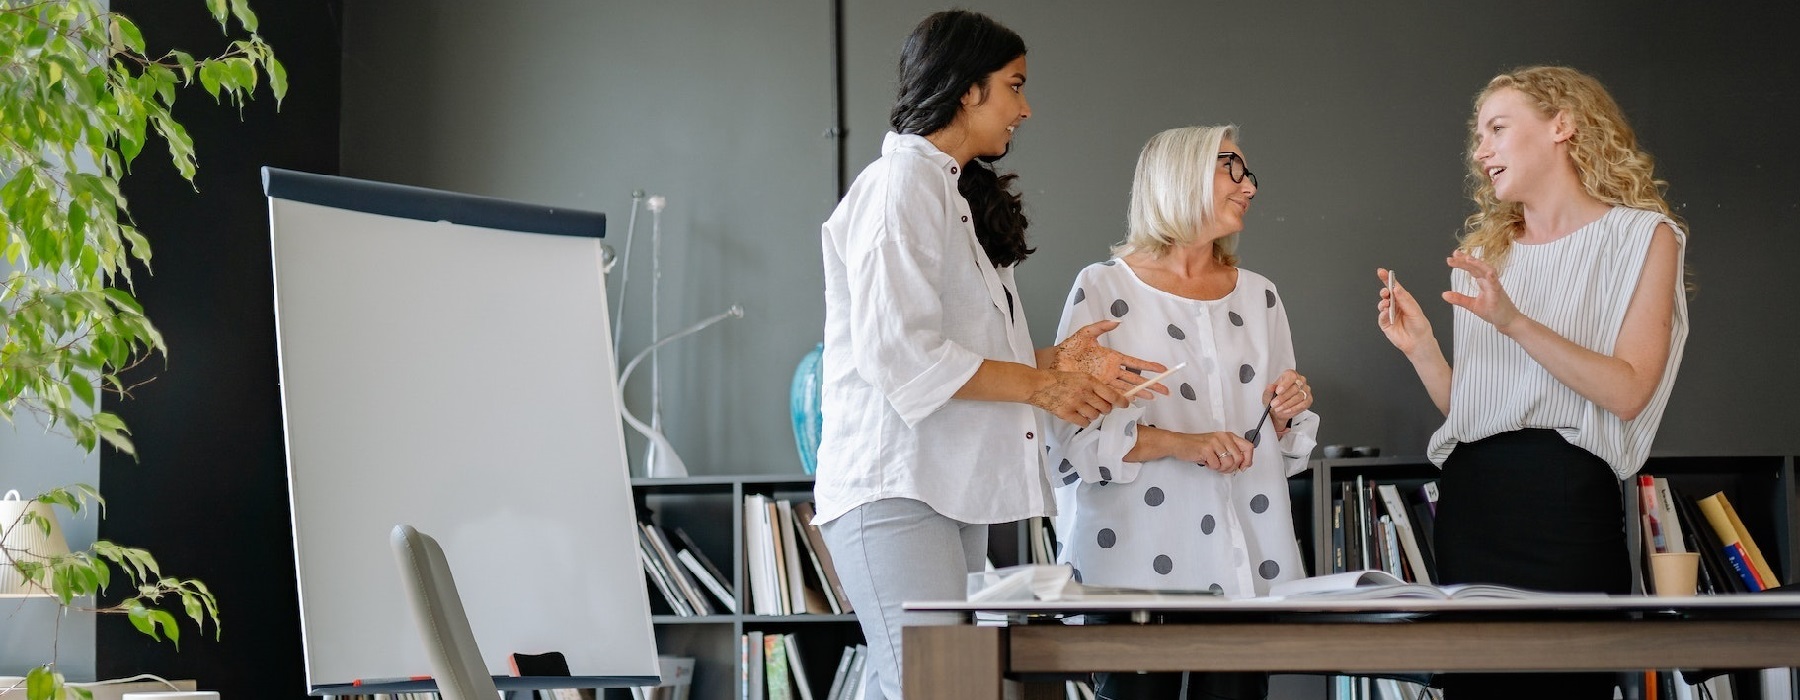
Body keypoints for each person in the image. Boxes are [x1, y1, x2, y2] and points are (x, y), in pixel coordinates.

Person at [812, 11, 1168, 700]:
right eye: (1014, 86)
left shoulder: (947, 192)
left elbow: (961, 351)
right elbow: (901, 353)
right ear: (967, 89)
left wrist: (1055, 365)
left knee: (938, 687)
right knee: (937, 688)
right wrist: (1040, 388)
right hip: (894, 486)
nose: (1025, 108)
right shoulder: (899, 187)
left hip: (943, 489)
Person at [1377, 66, 1688, 699]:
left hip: (1567, 502)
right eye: (1478, 136)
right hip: (1471, 501)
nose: (1480, 150)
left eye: (1497, 128)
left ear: (1562, 125)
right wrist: (1424, 351)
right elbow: (1474, 409)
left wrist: (1513, 321)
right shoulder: (1485, 255)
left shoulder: (1644, 238)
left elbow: (1628, 391)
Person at [1048, 125, 1318, 700]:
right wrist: (1183, 444)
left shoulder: (1261, 295)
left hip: (1246, 556)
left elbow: (1283, 442)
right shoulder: (1101, 288)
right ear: (1182, 175)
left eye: (1249, 174)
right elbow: (1075, 437)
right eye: (1233, 170)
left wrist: (1285, 411)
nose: (1250, 188)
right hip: (1132, 565)